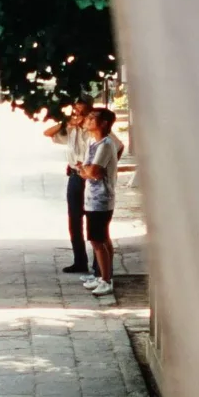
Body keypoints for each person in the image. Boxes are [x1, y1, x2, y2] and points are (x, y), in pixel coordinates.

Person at [44, 99, 93, 273]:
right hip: (74, 176)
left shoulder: (95, 130)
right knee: (74, 219)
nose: (78, 114)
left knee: (93, 218)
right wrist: (66, 122)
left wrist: (104, 168)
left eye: (82, 111)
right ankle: (80, 260)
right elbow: (47, 132)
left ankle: (98, 265)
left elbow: (118, 146)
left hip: (91, 177)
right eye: (76, 110)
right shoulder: (71, 130)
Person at [78, 108, 121, 297]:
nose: (87, 121)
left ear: (103, 123)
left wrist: (87, 170)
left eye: (92, 118)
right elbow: (84, 170)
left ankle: (106, 279)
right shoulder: (92, 143)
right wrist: (86, 170)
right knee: (103, 238)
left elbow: (94, 172)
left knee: (97, 240)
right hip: (91, 197)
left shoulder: (105, 144)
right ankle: (103, 274)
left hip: (101, 198)